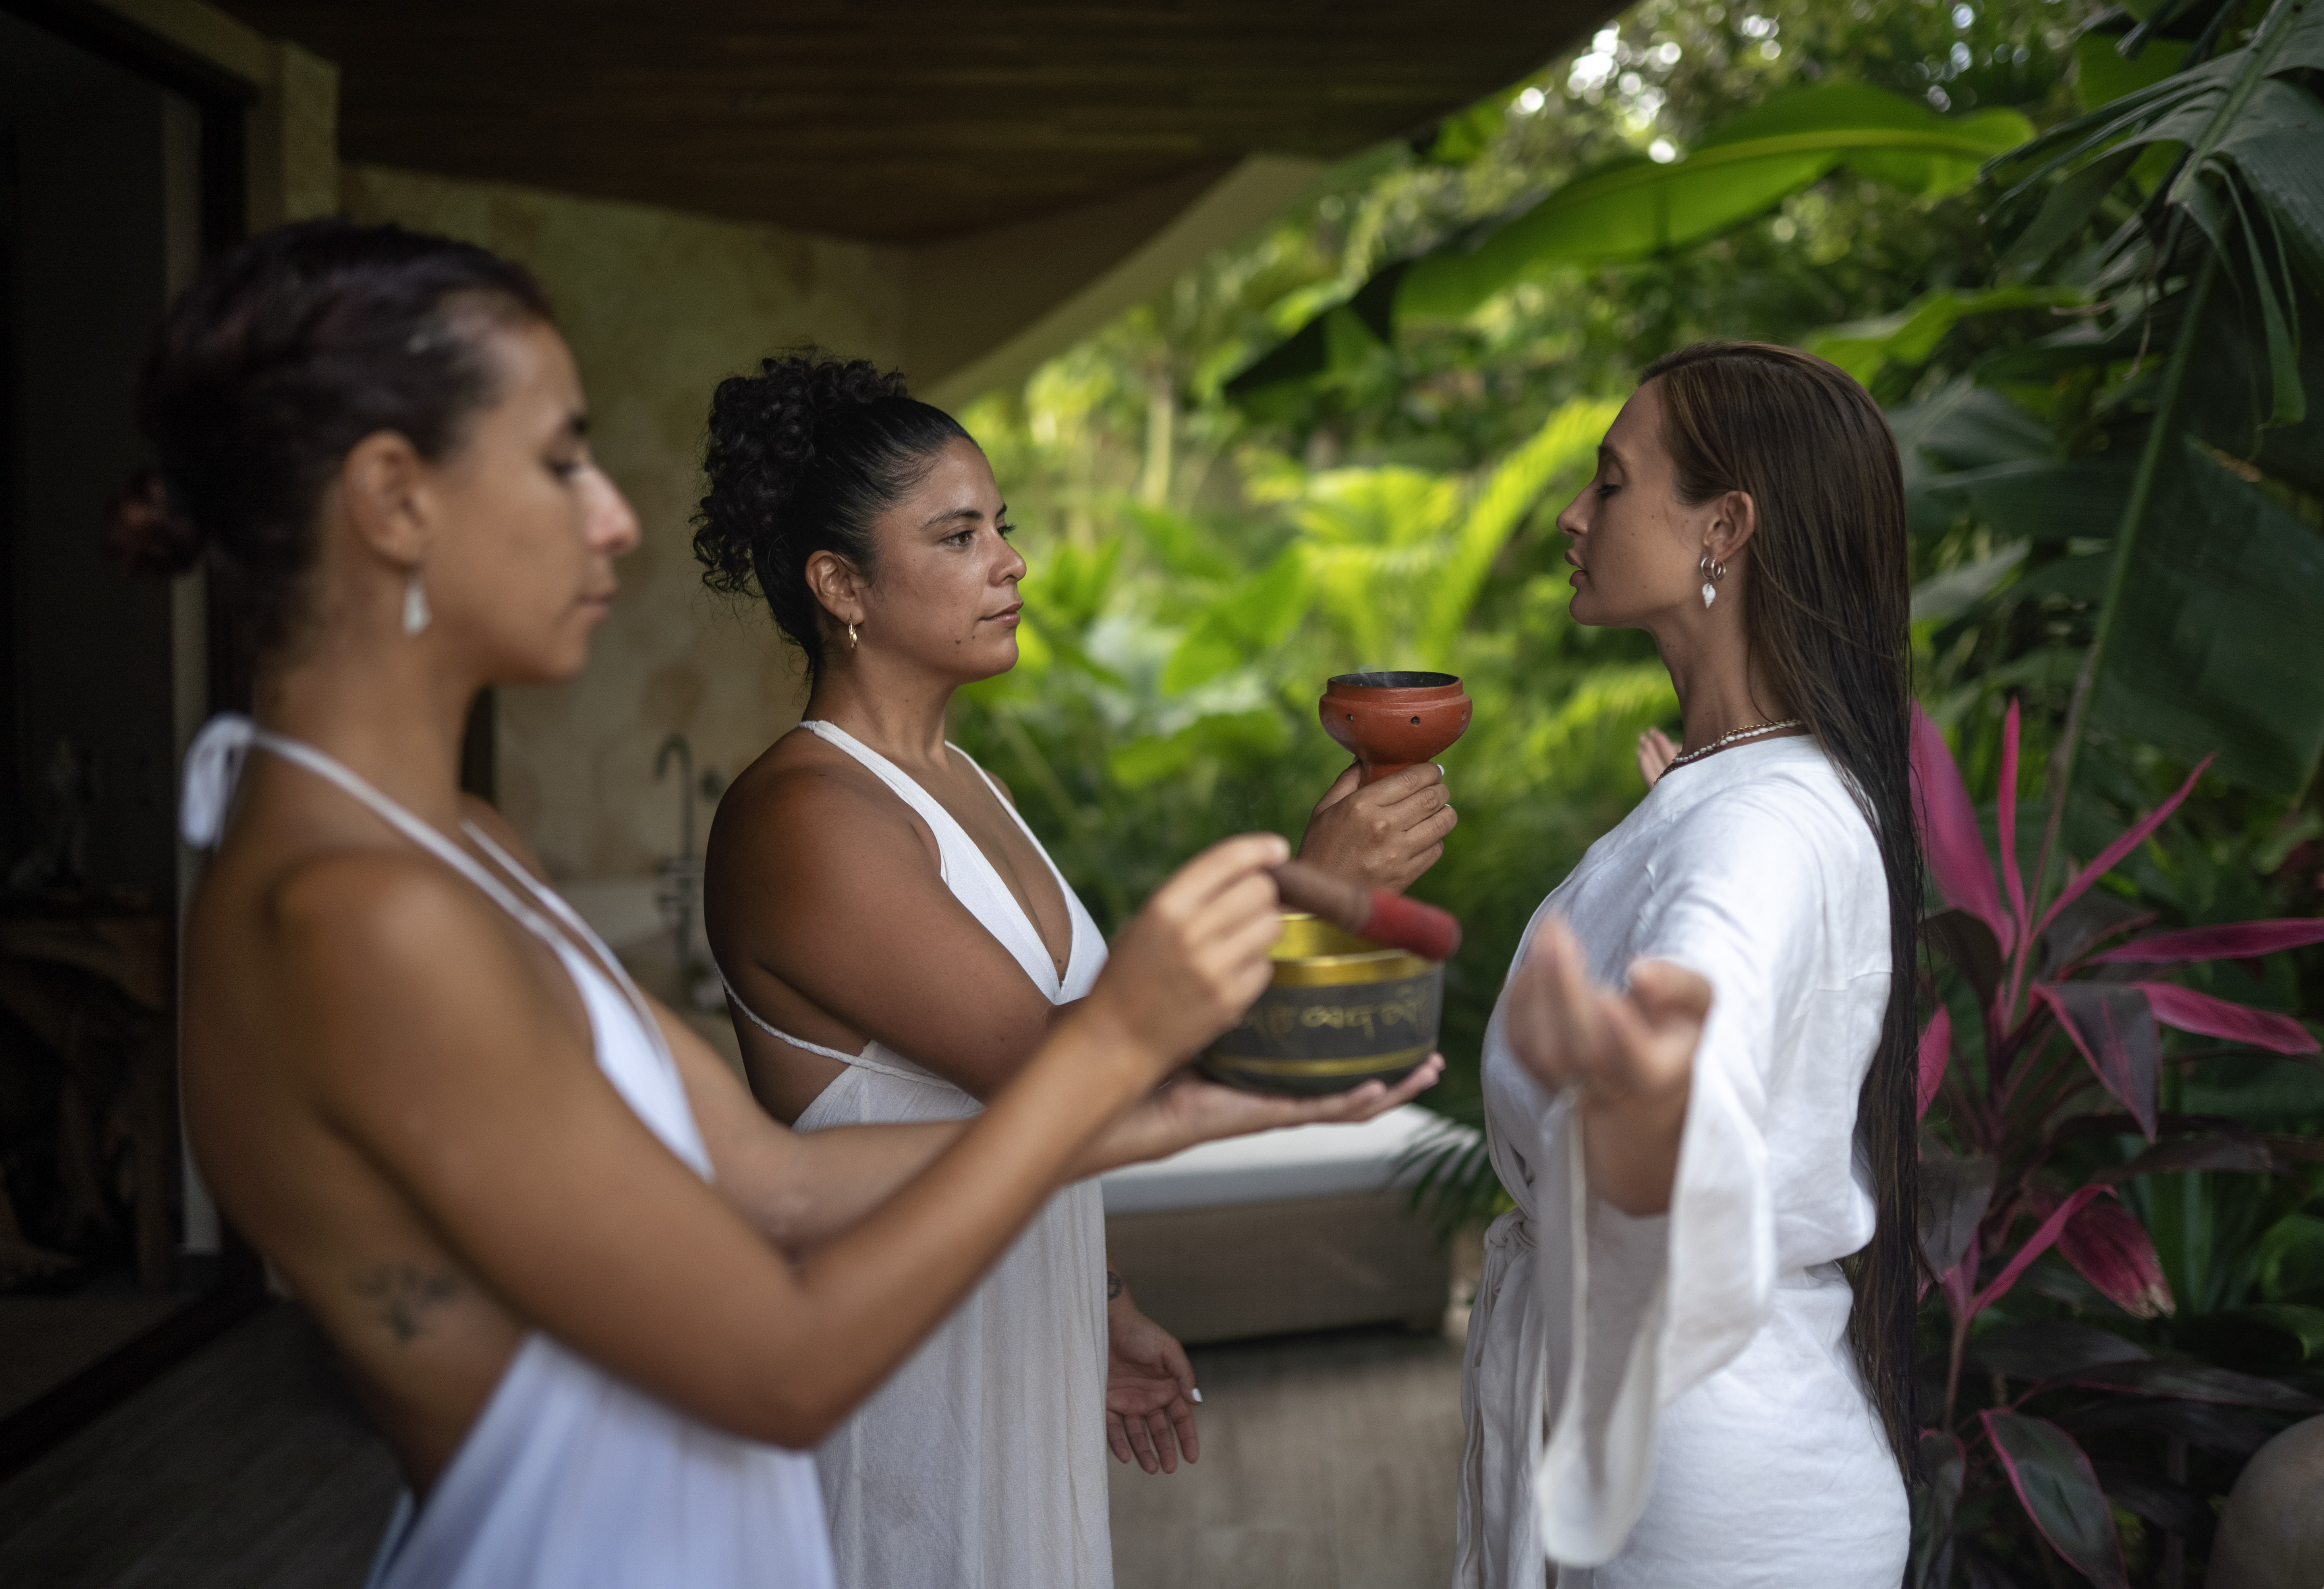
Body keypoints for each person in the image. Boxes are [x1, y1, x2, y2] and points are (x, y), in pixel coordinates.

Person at [135, 219, 1424, 1589]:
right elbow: (782, 1368)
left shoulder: (456, 841)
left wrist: (1198, 1114)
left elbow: (780, 1184)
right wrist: (1147, 1033)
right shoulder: (354, 908)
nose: (616, 517)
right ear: (395, 500)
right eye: (562, 459)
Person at [690, 351, 1453, 1589]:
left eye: (1003, 526)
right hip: (907, 1379)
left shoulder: (962, 783)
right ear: (842, 585)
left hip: (1015, 1339)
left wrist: (1093, 1303)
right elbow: (1066, 1067)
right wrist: (1310, 885)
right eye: (957, 536)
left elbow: (1011, 1103)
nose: (1011, 560)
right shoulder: (810, 817)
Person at [1452, 342, 1920, 1586]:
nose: (1573, 514)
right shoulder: (1757, 794)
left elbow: (1696, 1082)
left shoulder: (1757, 825)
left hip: (1700, 1506)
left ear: (1725, 526)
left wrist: (1647, 1084)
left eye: (1609, 484)